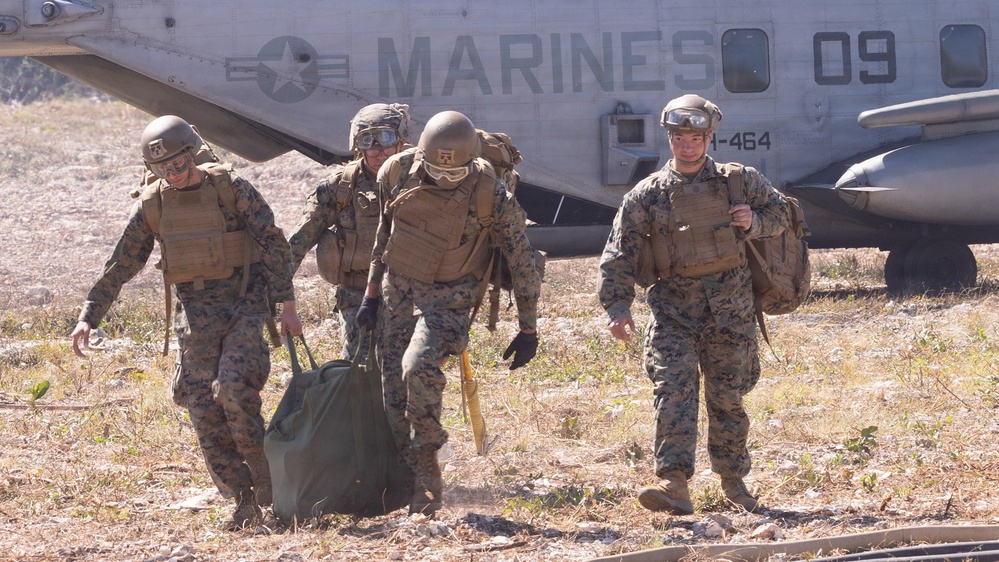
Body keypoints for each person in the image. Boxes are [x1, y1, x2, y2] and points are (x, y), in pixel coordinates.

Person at [70, 115, 303, 530]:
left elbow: (273, 243)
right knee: (201, 404)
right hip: (196, 318)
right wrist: (89, 316)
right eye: (162, 169)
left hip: (245, 307)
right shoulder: (154, 205)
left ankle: (269, 482)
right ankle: (242, 498)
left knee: (232, 389)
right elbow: (122, 264)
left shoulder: (231, 190)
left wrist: (286, 304)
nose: (173, 174)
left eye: (179, 165)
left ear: (192, 154)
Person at [598, 94, 790, 515]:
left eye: (696, 137)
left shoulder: (738, 182)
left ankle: (734, 483)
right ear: (669, 138)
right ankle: (674, 483)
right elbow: (619, 254)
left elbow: (782, 215)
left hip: (731, 312)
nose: (688, 145)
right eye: (680, 137)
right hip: (673, 312)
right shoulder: (646, 196)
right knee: (673, 392)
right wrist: (617, 307)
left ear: (709, 137)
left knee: (728, 397)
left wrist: (753, 222)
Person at [357, 110, 541, 517]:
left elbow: (522, 260)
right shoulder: (396, 172)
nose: (444, 179)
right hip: (398, 292)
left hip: (451, 297)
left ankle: (426, 473)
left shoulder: (491, 192)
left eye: (454, 175)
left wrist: (528, 327)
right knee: (393, 396)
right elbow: (384, 235)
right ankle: (406, 476)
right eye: (436, 172)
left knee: (417, 366)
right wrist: (370, 295)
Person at [287, 103, 410, 360]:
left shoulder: (418, 179)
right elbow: (300, 241)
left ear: (401, 141)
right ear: (358, 146)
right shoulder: (340, 187)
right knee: (358, 370)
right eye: (369, 142)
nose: (379, 151)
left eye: (386, 139)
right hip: (356, 295)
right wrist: (278, 294)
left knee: (406, 371)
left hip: (407, 296)